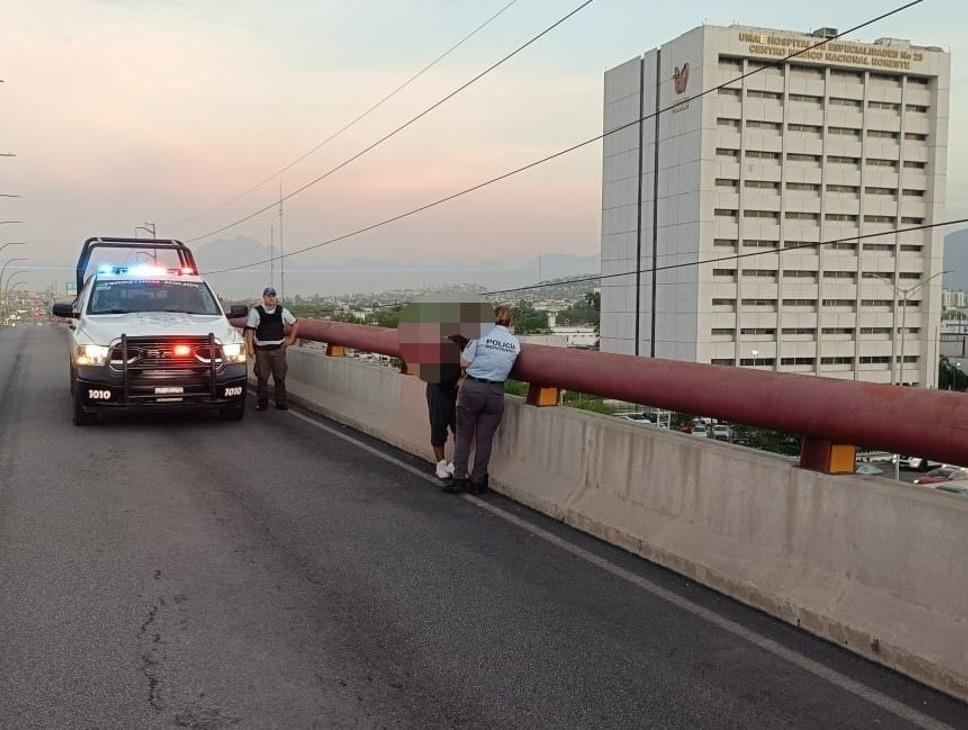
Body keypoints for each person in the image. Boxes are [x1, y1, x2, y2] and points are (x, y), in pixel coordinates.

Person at [446, 306, 520, 495]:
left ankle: (459, 478)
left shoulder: (481, 336)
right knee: (484, 439)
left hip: (473, 388)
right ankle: (478, 480)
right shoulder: (514, 343)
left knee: (463, 435)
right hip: (496, 391)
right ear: (510, 322)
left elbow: (464, 362)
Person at [244, 286, 298, 411]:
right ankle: (262, 402)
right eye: (268, 296)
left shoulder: (282, 311)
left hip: (278, 350)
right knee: (262, 378)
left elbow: (295, 324)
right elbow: (250, 331)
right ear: (264, 297)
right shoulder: (256, 312)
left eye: (273, 295)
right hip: (262, 351)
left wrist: (290, 340)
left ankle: (281, 402)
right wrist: (250, 348)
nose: (271, 298)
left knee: (279, 377)